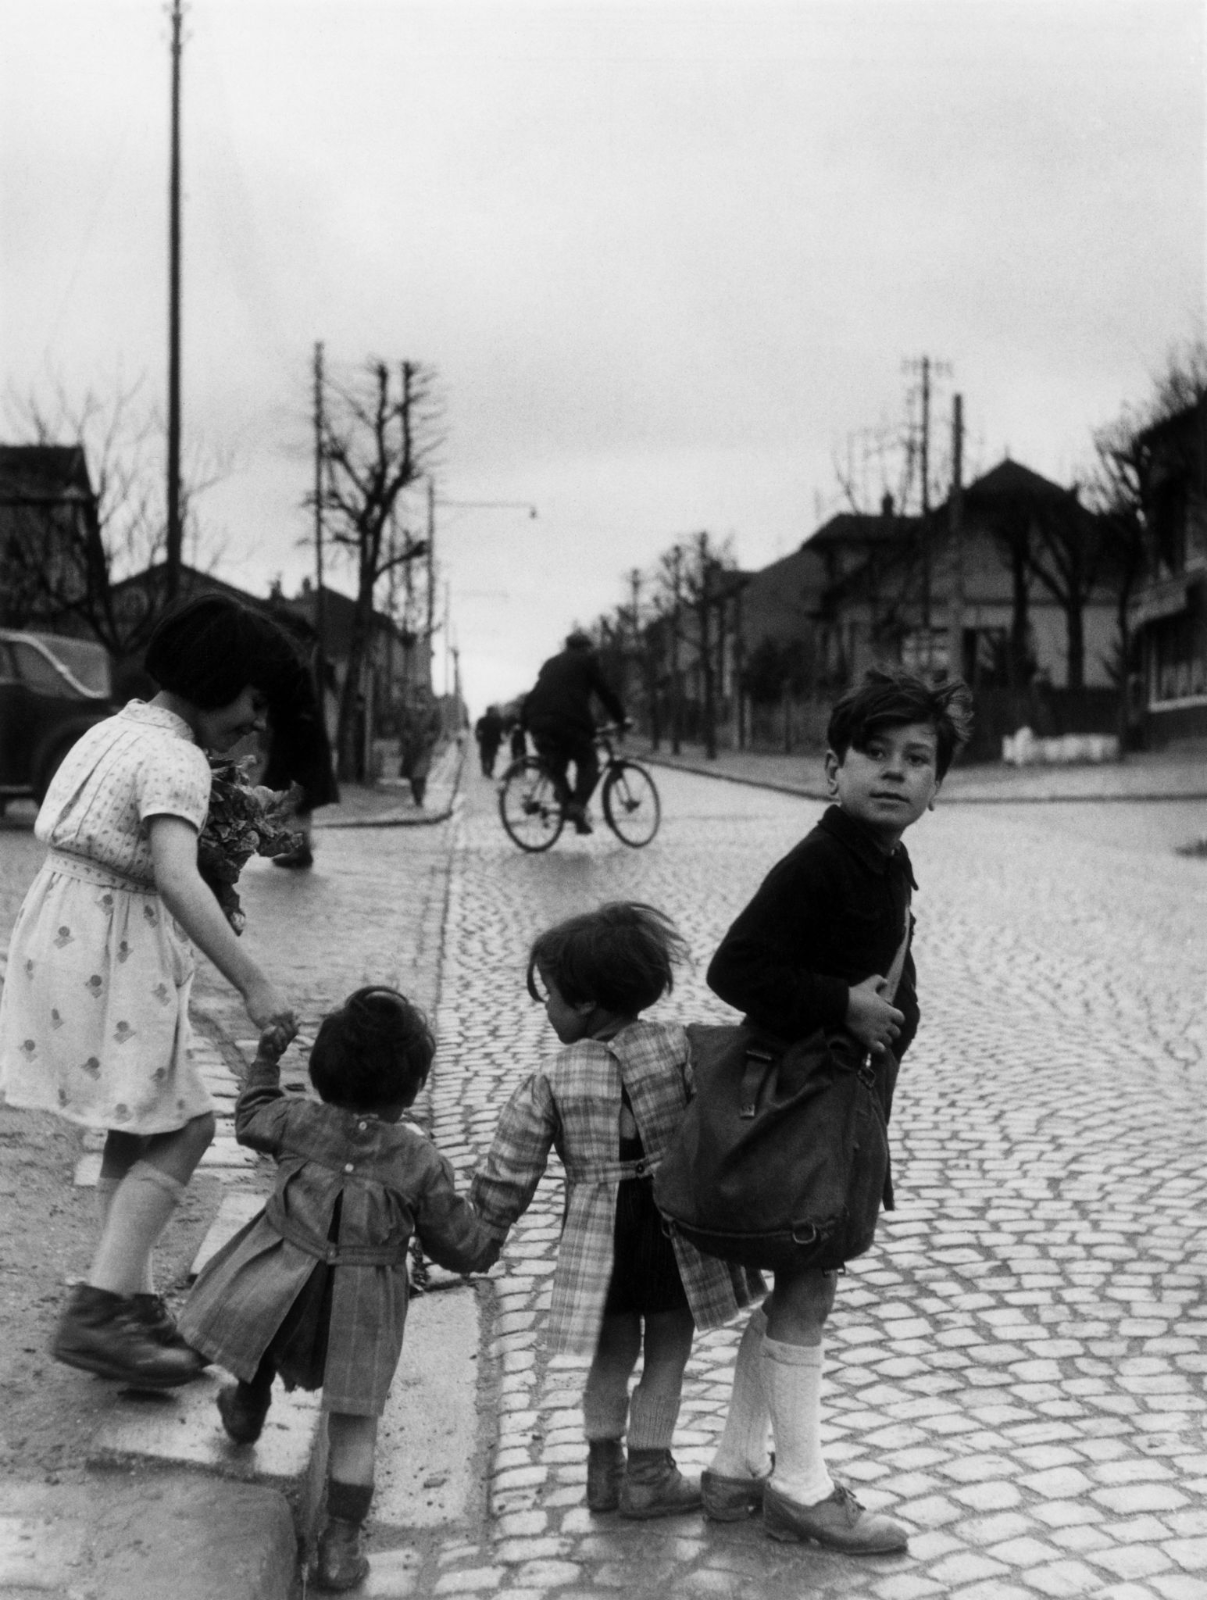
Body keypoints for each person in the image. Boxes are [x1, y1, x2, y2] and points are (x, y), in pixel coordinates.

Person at [699, 666, 972, 1555]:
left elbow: (894, 974)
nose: (894, 771)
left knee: (796, 1278)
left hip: (842, 1103)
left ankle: (736, 1470)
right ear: (831, 769)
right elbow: (734, 970)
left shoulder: (884, 861)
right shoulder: (820, 862)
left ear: (935, 788)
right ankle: (801, 1489)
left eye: (916, 759)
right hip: (802, 1108)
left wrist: (890, 1028)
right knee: (809, 1282)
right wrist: (841, 1008)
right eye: (875, 754)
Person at [0, 595, 300, 1390]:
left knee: (137, 1122)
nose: (254, 725)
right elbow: (173, 874)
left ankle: (127, 1298)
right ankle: (99, 1307)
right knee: (190, 1127)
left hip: (63, 939)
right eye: (251, 703)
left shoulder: (110, 728)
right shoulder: (177, 760)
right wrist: (253, 982)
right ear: (216, 679)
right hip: (110, 950)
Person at [178, 988, 499, 1592]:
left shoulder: (299, 1120)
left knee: (264, 1336)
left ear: (322, 1073)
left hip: (284, 1277)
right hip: (364, 1304)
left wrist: (268, 1061)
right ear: (411, 1090)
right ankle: (338, 1548)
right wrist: (491, 1232)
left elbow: (249, 1119)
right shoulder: (419, 1161)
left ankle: (248, 1406)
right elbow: (455, 1241)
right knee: (355, 1422)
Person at [471, 903, 760, 1519]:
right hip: (671, 1227)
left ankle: (603, 1472)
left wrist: (483, 1231)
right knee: (668, 1351)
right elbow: (728, 1105)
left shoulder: (549, 1079)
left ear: (585, 1005)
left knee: (611, 1352)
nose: (545, 1008)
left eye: (549, 996)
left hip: (598, 1238)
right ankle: (649, 1473)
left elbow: (510, 1168)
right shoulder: (679, 1049)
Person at [521, 632, 626, 834]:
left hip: (538, 721)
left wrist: (525, 723)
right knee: (588, 763)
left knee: (556, 767)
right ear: (586, 647)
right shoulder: (587, 660)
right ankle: (576, 808)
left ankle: (571, 808)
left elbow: (535, 692)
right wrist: (621, 718)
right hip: (568, 721)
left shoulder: (550, 663)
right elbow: (604, 691)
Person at [263, 629, 340, 871]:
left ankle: (299, 849)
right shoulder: (301, 668)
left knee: (296, 796)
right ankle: (299, 848)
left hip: (299, 745)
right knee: (297, 799)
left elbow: (288, 706)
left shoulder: (296, 670)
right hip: (301, 743)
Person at [397, 691, 443, 807]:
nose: (421, 703)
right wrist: (407, 737)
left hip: (424, 748)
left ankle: (419, 797)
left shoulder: (433, 712)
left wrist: (429, 738)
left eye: (424, 700)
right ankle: (415, 793)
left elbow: (437, 729)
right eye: (419, 700)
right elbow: (403, 727)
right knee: (412, 774)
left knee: (420, 773)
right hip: (411, 748)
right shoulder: (409, 711)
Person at [473, 705, 505, 778]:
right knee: (492, 757)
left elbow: (478, 730)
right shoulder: (497, 720)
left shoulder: (482, 720)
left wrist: (478, 739)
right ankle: (489, 771)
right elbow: (500, 731)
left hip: (484, 741)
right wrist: (500, 740)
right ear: (492, 712)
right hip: (494, 742)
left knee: (484, 756)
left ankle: (485, 770)